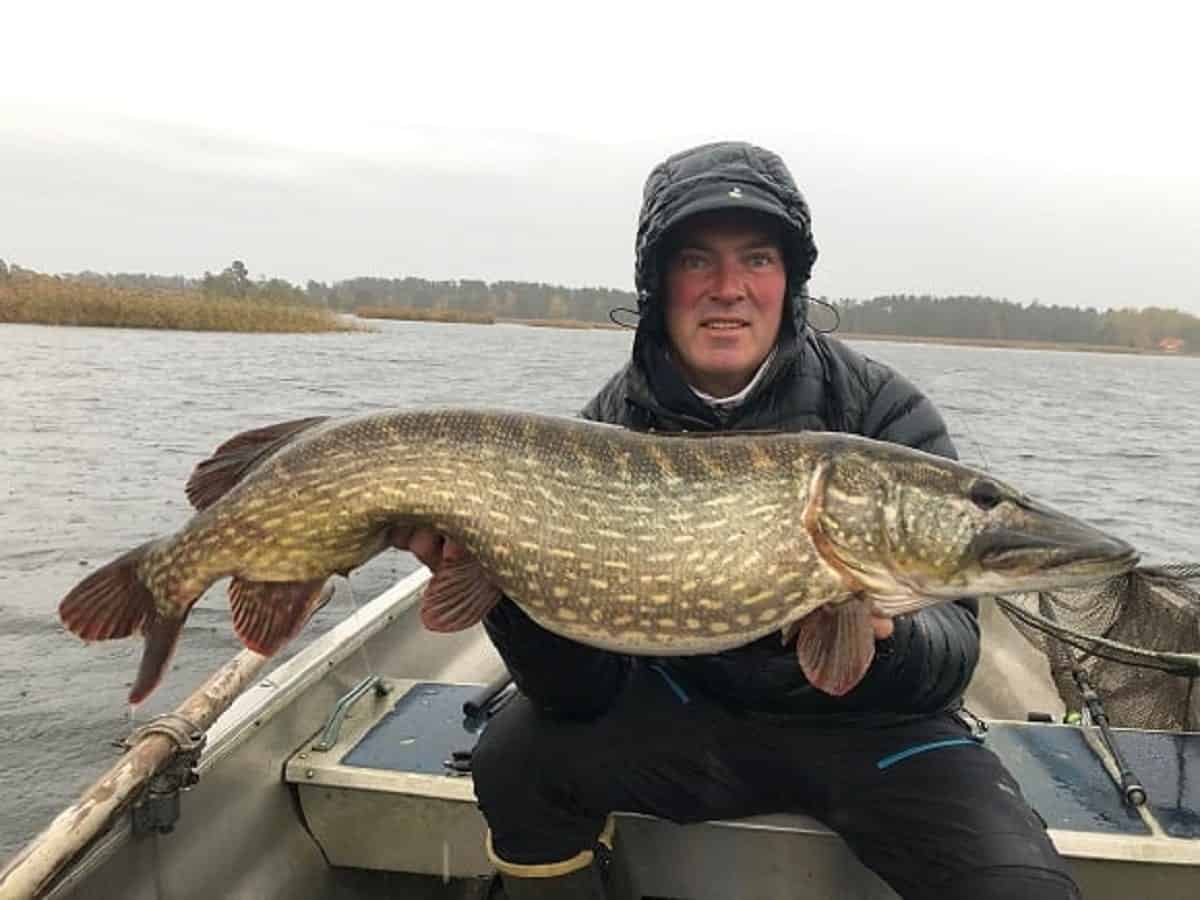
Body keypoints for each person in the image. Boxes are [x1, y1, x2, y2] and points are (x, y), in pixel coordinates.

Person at [393, 141, 1079, 900]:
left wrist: (890, 639)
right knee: (516, 762)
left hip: (873, 735)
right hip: (690, 716)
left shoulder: (883, 412)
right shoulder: (606, 429)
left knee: (1017, 885)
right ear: (659, 284)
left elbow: (951, 654)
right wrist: (497, 578)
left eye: (757, 259)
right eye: (695, 261)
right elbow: (577, 695)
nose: (729, 289)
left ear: (790, 281)